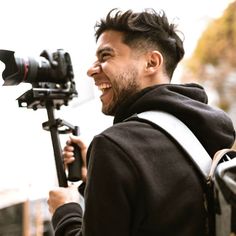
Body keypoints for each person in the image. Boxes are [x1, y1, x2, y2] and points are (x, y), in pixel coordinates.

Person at [47, 8, 235, 236]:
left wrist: (66, 211)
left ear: (151, 62)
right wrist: (96, 178)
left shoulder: (113, 145)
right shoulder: (208, 137)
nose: (90, 70)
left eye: (105, 56)